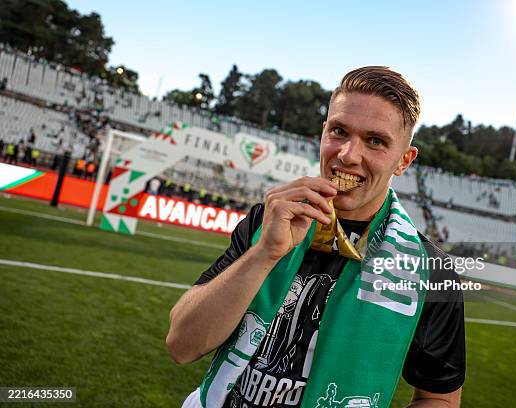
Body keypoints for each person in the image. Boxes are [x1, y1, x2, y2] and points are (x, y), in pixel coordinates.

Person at [167, 67, 465, 408]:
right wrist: (265, 253)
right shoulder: (268, 219)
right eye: (339, 131)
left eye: (375, 141)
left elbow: (439, 398)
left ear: (404, 161)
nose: (348, 155)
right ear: (323, 133)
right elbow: (182, 345)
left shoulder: (429, 268)